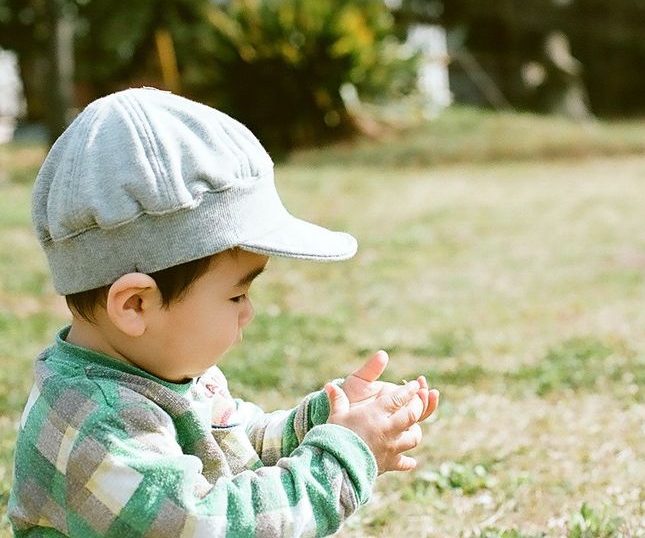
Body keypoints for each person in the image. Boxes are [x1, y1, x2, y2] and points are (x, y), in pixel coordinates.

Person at [9, 87, 438, 537]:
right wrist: (343, 456)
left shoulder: (164, 368)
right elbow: (213, 525)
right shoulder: (97, 425)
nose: (249, 312)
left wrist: (329, 419)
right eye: (236, 295)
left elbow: (238, 444)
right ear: (136, 305)